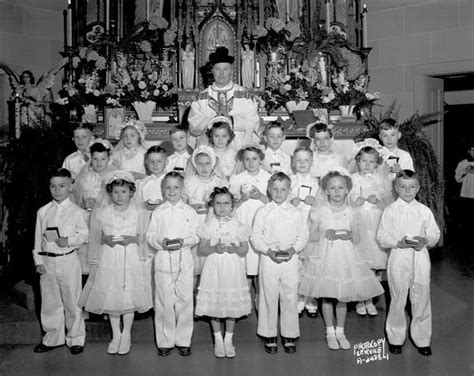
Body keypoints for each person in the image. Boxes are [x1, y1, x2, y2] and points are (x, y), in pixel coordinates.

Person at [299, 170, 384, 351]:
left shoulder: (353, 211)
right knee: (328, 296)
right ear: (326, 191)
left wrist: (350, 235)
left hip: (346, 257)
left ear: (347, 190)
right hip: (326, 256)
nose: (337, 191)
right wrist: (323, 233)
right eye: (332, 188)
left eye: (340, 187)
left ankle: (341, 331)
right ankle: (330, 331)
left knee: (343, 296)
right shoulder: (320, 211)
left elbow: (359, 237)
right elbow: (311, 235)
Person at [79, 171, 152, 355]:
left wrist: (132, 239)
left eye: (124, 192)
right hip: (110, 257)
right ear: (110, 193)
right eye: (116, 192)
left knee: (128, 295)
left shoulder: (138, 212)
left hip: (130, 256)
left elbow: (144, 238)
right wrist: (106, 239)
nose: (120, 196)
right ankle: (116, 334)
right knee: (112, 294)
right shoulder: (103, 213)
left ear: (131, 193)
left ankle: (126, 334)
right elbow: (96, 236)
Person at [377, 170, 440, 356]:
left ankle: (422, 338)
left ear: (418, 188)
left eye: (412, 187)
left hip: (420, 258)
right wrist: (398, 242)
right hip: (398, 256)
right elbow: (382, 237)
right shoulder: (390, 211)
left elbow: (434, 234)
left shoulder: (423, 210)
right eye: (403, 187)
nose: (407, 190)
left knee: (421, 296)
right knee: (398, 298)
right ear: (396, 188)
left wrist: (425, 240)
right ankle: (396, 337)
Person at [251, 172, 309, 354]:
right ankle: (269, 334)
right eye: (275, 189)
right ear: (268, 190)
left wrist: (293, 250)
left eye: (283, 189)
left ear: (289, 191)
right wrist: (268, 251)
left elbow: (303, 236)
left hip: (290, 259)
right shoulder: (262, 212)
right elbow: (255, 237)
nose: (278, 192)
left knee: (290, 295)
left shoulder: (296, 212)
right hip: (269, 258)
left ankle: (289, 334)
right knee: (268, 295)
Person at [32, 168, 88, 355]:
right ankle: (52, 338)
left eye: (62, 186)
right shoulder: (43, 211)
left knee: (72, 300)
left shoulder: (76, 211)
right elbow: (38, 237)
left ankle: (75, 339)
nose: (57, 190)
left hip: (68, 260)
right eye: (53, 186)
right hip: (48, 261)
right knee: (50, 302)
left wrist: (69, 241)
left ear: (70, 186)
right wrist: (38, 260)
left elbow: (84, 235)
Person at [147, 172, 199, 357]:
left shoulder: (189, 212)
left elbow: (195, 235)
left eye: (176, 187)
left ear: (182, 189)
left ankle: (184, 340)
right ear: (162, 189)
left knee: (185, 299)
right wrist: (161, 242)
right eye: (167, 187)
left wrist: (182, 241)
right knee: (163, 299)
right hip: (163, 257)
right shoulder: (158, 211)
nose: (171, 191)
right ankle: (165, 340)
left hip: (184, 257)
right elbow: (150, 235)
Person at [195, 187, 251, 358]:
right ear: (212, 205)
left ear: (232, 206)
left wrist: (235, 249)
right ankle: (218, 339)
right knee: (216, 303)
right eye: (218, 203)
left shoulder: (239, 226)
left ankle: (229, 339)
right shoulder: (208, 226)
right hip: (214, 267)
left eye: (226, 203)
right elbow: (202, 249)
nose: (222, 207)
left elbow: (244, 250)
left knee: (230, 303)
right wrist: (213, 248)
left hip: (232, 267)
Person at [348, 143, 391, 316]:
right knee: (360, 261)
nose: (367, 164)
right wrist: (354, 202)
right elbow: (345, 202)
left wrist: (377, 201)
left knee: (373, 262)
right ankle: (360, 299)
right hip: (358, 221)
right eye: (363, 161)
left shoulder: (380, 180)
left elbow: (387, 203)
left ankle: (370, 299)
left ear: (376, 163)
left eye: (371, 162)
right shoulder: (351, 179)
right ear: (358, 161)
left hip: (374, 221)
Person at [188, 46, 260, 150]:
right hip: (209, 155)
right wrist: (213, 119)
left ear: (232, 70)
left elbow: (253, 122)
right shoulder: (201, 98)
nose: (221, 74)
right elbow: (193, 127)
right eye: (217, 69)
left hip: (238, 151)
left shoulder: (244, 95)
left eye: (225, 69)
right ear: (212, 70)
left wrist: (232, 120)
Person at [229, 146, 271, 308]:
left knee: (260, 263)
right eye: (247, 159)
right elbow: (231, 206)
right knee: (245, 262)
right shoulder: (236, 179)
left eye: (254, 159)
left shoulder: (268, 178)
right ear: (242, 160)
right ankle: (243, 297)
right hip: (244, 222)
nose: (251, 162)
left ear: (261, 159)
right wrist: (242, 199)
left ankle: (261, 297)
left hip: (262, 224)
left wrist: (260, 195)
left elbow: (273, 202)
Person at [72, 139, 115, 274]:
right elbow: (76, 198)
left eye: (103, 159)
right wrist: (84, 203)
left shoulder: (113, 176)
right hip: (88, 217)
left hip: (106, 218)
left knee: (104, 256)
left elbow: (119, 198)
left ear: (108, 159)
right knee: (86, 254)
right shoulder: (85, 176)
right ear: (91, 158)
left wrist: (104, 204)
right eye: (95, 159)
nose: (99, 163)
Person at [289, 146, 320, 318]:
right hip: (294, 226)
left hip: (311, 226)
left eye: (306, 160)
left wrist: (314, 201)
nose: (302, 163)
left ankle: (311, 298)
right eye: (298, 160)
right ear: (293, 162)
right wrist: (290, 202)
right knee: (297, 263)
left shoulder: (317, 183)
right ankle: (299, 297)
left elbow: (323, 205)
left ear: (312, 162)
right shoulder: (290, 181)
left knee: (311, 262)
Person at [136, 145, 168, 212]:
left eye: (159, 161)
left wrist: (165, 204)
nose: (155, 165)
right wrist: (143, 205)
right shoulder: (141, 183)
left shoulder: (171, 181)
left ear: (166, 162)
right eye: (151, 161)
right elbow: (136, 204)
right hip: (147, 218)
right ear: (146, 163)